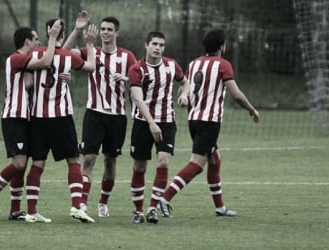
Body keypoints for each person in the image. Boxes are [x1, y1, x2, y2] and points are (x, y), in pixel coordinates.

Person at [158, 28, 260, 219]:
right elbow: (236, 94)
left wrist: (183, 98)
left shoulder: (194, 63)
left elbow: (183, 90)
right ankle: (164, 199)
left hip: (194, 120)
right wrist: (251, 110)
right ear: (222, 45)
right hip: (209, 121)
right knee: (197, 164)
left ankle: (220, 208)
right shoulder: (223, 65)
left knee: (215, 160)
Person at [0, 20, 62, 220]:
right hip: (13, 117)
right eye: (35, 39)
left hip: (24, 117)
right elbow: (45, 62)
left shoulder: (23, 63)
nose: (38, 42)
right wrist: (52, 37)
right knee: (18, 164)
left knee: (22, 164)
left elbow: (29, 82)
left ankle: (15, 210)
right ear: (27, 41)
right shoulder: (16, 58)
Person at [24, 18, 98, 223]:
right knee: (73, 161)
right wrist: (90, 43)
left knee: (37, 163)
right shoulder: (68, 57)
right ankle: (76, 206)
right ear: (61, 35)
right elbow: (92, 67)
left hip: (38, 117)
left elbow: (31, 80)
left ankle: (31, 211)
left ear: (46, 34)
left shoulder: (35, 54)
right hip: (61, 117)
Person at [63, 13, 137, 217]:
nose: (105, 32)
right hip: (94, 114)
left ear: (116, 33)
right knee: (88, 159)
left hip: (117, 116)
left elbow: (140, 78)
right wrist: (78, 30)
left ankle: (103, 202)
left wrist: (127, 78)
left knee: (110, 160)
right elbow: (64, 52)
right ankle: (83, 204)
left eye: (109, 29)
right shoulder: (91, 52)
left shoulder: (127, 56)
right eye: (102, 29)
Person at [128, 31, 189, 224]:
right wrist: (151, 123)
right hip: (143, 123)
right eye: (154, 44)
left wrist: (184, 94)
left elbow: (185, 81)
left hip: (167, 121)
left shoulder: (171, 65)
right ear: (146, 45)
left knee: (163, 162)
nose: (158, 48)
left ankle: (152, 208)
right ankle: (138, 211)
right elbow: (137, 98)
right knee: (139, 167)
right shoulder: (137, 69)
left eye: (161, 45)